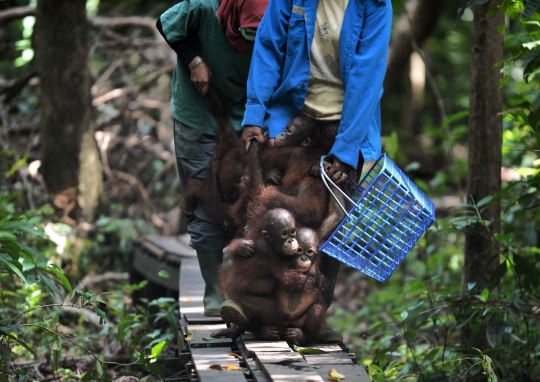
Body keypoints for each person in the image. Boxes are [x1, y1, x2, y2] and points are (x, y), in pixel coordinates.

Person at [238, 0, 393, 341]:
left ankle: (311, 320)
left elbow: (369, 77)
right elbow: (268, 48)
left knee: (328, 233)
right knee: (274, 218)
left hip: (346, 128)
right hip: (293, 121)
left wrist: (345, 150)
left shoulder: (375, 6)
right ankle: (257, 313)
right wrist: (254, 113)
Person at [156, 0, 268, 317]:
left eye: (257, 35)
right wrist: (193, 60)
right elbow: (166, 22)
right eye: (246, 33)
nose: (249, 42)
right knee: (206, 199)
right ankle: (213, 292)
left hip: (248, 114)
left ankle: (238, 286)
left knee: (245, 198)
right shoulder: (204, 6)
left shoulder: (281, 12)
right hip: (199, 114)